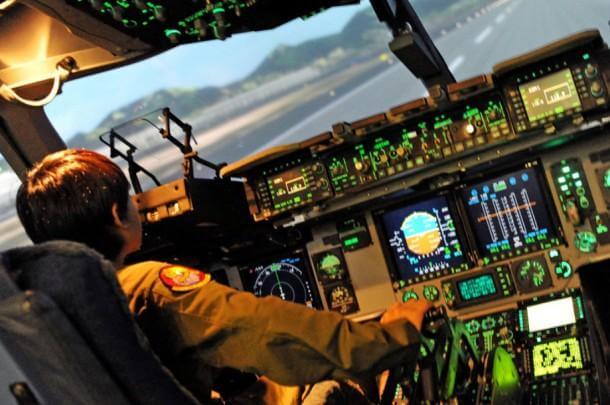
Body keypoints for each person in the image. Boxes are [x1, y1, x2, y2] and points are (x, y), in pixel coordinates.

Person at [16, 149, 431, 402]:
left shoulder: (41, 315)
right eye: (129, 198)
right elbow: (273, 332)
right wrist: (395, 335)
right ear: (116, 215)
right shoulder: (148, 287)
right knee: (343, 387)